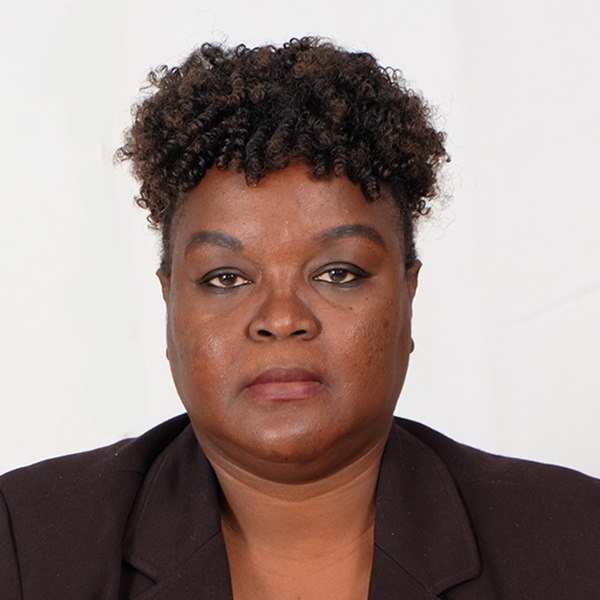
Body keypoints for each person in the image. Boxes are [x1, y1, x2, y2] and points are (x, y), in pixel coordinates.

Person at [1, 37, 598, 600]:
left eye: (338, 273)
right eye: (226, 278)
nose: (282, 319)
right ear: (170, 303)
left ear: (408, 296)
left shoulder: (576, 542)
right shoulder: (24, 544)